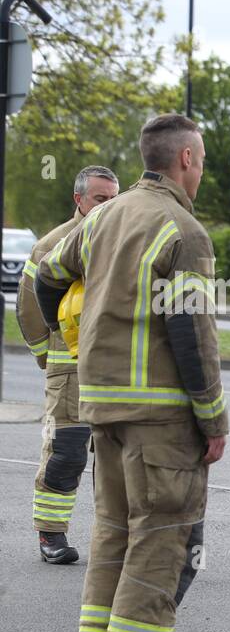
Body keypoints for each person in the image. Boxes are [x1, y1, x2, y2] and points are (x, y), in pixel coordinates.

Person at [36, 114, 226, 632]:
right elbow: (190, 332)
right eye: (201, 160)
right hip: (161, 415)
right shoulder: (183, 231)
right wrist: (213, 418)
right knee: (162, 537)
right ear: (187, 160)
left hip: (101, 407)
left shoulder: (103, 219)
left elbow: (46, 276)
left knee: (113, 532)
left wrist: (64, 348)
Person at [16, 165, 119, 565]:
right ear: (79, 199)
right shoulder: (53, 244)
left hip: (114, 367)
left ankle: (114, 538)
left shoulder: (121, 240)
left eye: (114, 199)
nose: (108, 206)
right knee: (67, 451)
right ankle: (51, 535)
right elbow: (28, 305)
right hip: (70, 370)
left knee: (115, 456)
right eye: (100, 199)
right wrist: (47, 354)